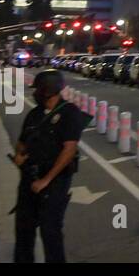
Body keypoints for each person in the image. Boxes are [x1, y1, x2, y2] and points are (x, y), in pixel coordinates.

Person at [12, 69, 87, 263]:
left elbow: (69, 149)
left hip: (54, 181)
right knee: (23, 228)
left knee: (50, 230)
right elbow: (22, 141)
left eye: (38, 89)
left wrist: (46, 180)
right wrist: (21, 154)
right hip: (30, 177)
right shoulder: (34, 114)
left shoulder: (70, 113)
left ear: (48, 90)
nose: (35, 93)